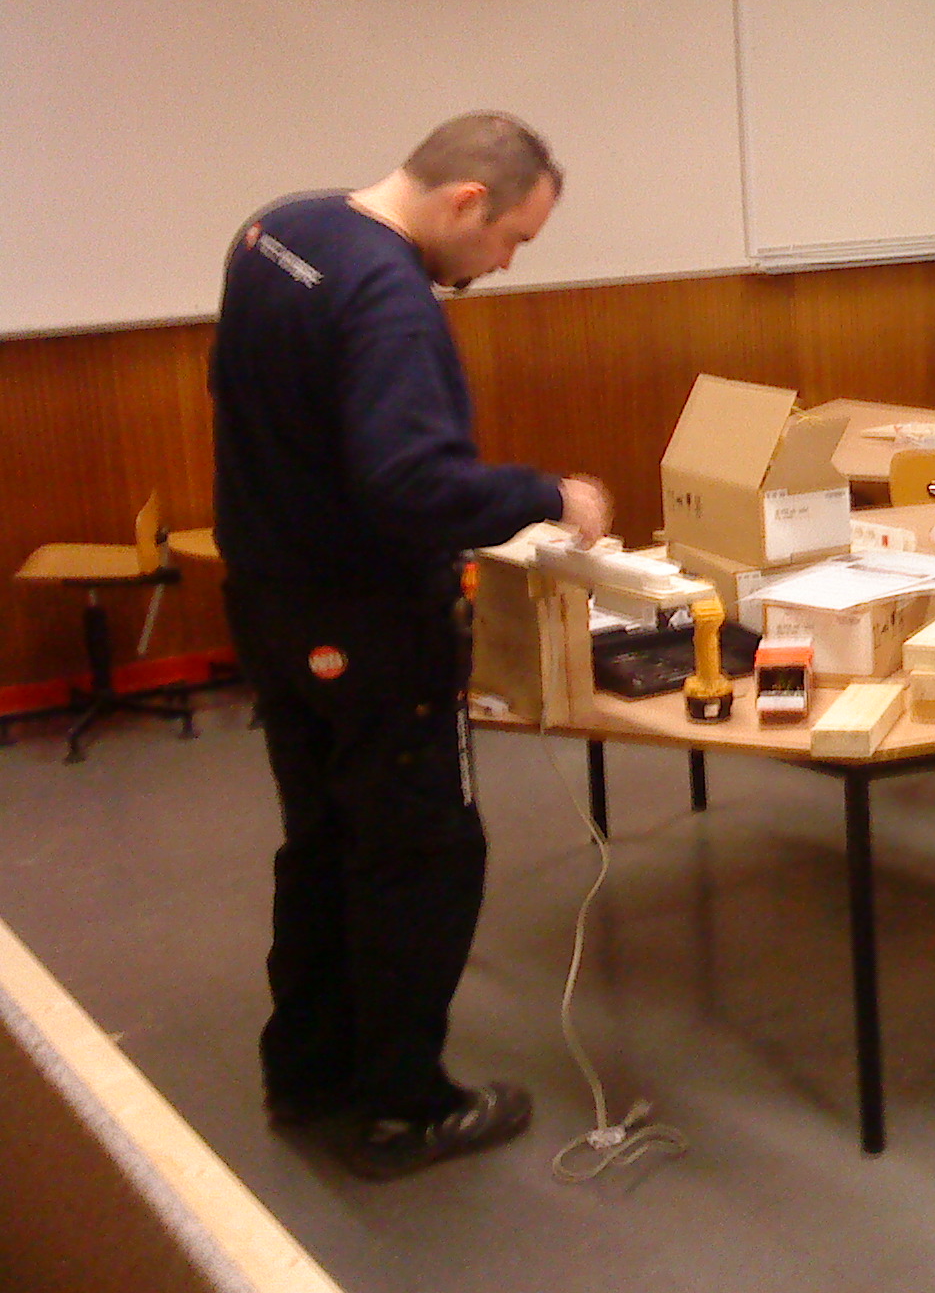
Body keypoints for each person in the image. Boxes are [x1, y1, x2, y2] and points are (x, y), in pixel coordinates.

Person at [211, 112, 612, 1178]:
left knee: (322, 841)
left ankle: (307, 1073)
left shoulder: (278, 231)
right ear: (466, 201)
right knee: (420, 856)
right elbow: (412, 484)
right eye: (510, 239)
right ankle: (402, 1108)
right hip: (367, 624)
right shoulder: (390, 300)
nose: (504, 264)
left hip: (272, 601)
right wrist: (551, 497)